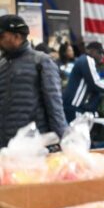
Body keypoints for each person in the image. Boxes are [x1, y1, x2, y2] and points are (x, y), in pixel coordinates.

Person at [0, 14, 67, 147]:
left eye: (1, 37)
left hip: (34, 148)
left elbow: (55, 107)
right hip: (6, 148)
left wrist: (63, 142)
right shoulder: (2, 65)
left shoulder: (42, 62)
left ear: (16, 36)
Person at [63, 41, 104, 122]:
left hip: (71, 106)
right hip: (75, 108)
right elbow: (96, 84)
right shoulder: (88, 60)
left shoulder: (83, 60)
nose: (102, 56)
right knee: (77, 134)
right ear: (91, 51)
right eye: (100, 53)